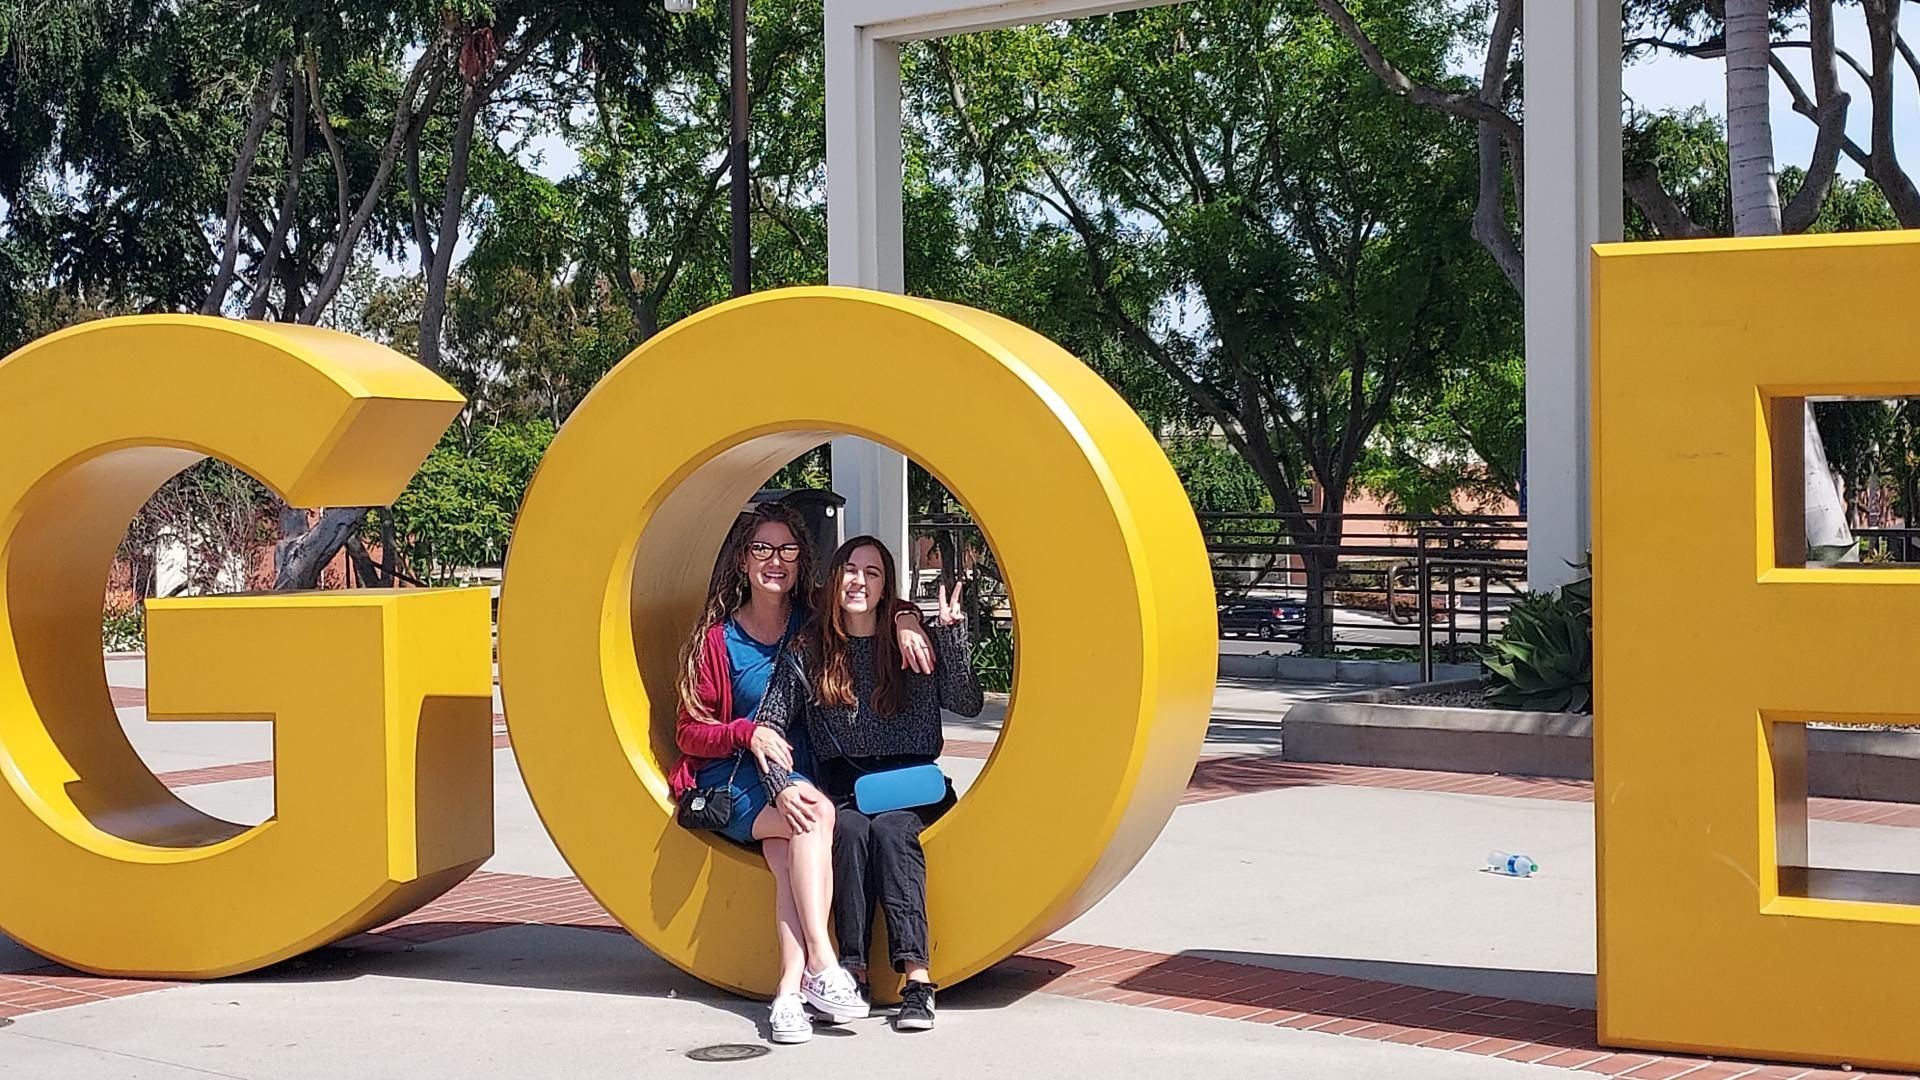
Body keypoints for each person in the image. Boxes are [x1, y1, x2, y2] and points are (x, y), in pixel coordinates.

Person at [669, 504, 936, 1045]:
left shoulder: (812, 621)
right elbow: (689, 731)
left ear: (801, 561)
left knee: (793, 854)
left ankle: (789, 996)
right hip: (738, 782)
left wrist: (907, 618)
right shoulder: (719, 641)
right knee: (813, 819)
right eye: (762, 549)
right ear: (743, 560)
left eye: (787, 550)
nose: (775, 560)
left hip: (797, 781)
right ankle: (823, 960)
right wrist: (745, 732)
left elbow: (867, 597)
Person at [755, 535, 983, 1032]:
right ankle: (850, 972)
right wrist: (780, 785)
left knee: (893, 832)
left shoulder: (909, 639)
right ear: (835, 579)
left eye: (873, 573)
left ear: (887, 588)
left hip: (911, 787)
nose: (859, 581)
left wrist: (949, 634)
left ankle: (917, 980)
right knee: (854, 831)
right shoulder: (809, 651)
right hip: (848, 789)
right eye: (851, 570)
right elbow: (770, 724)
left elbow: (966, 703)